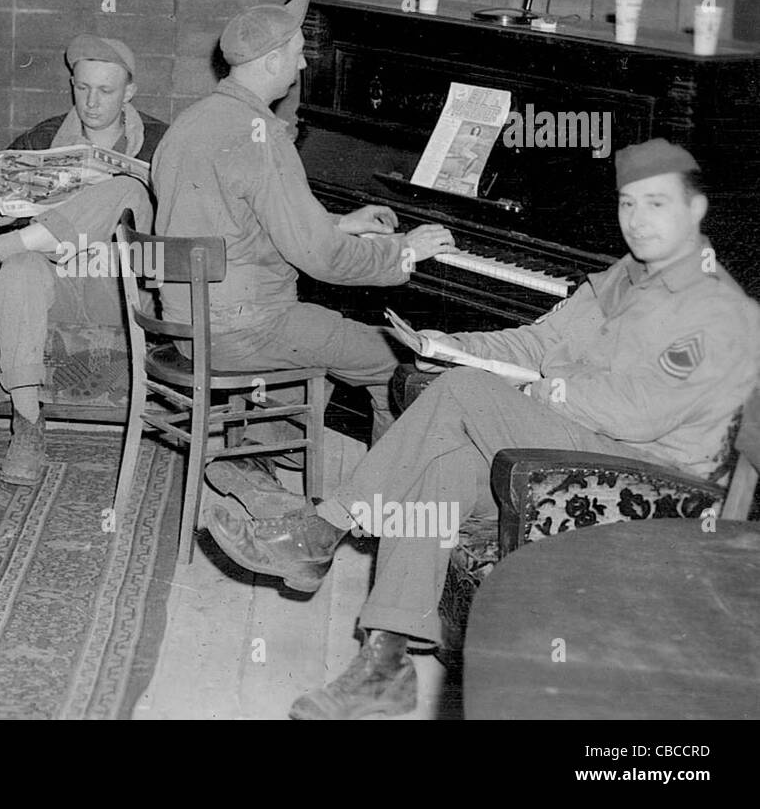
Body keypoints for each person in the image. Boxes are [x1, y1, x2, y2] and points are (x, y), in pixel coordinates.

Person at [206, 137, 760, 720]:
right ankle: (384, 664)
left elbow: (638, 411)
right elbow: (539, 341)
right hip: (578, 449)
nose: (637, 222)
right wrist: (449, 347)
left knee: (468, 397)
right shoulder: (625, 278)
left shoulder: (714, 309)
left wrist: (537, 391)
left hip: (648, 485)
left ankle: (323, 527)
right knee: (443, 466)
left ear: (696, 211)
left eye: (656, 204)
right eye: (627, 204)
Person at [151, 0, 456, 514]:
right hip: (245, 332)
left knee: (318, 324)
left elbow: (234, 224)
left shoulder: (190, 123)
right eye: (296, 51)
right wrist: (402, 252)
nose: (304, 61)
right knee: (403, 364)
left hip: (186, 322)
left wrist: (338, 223)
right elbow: (322, 259)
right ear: (271, 62)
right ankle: (381, 508)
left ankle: (255, 453)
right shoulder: (264, 135)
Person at [0, 34, 167, 485]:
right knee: (20, 269)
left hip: (120, 283)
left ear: (130, 92)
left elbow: (177, 228)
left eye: (106, 91)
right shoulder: (43, 136)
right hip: (55, 278)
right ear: (71, 84)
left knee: (125, 187)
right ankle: (27, 426)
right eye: (82, 88)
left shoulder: (161, 142)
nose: (92, 101)